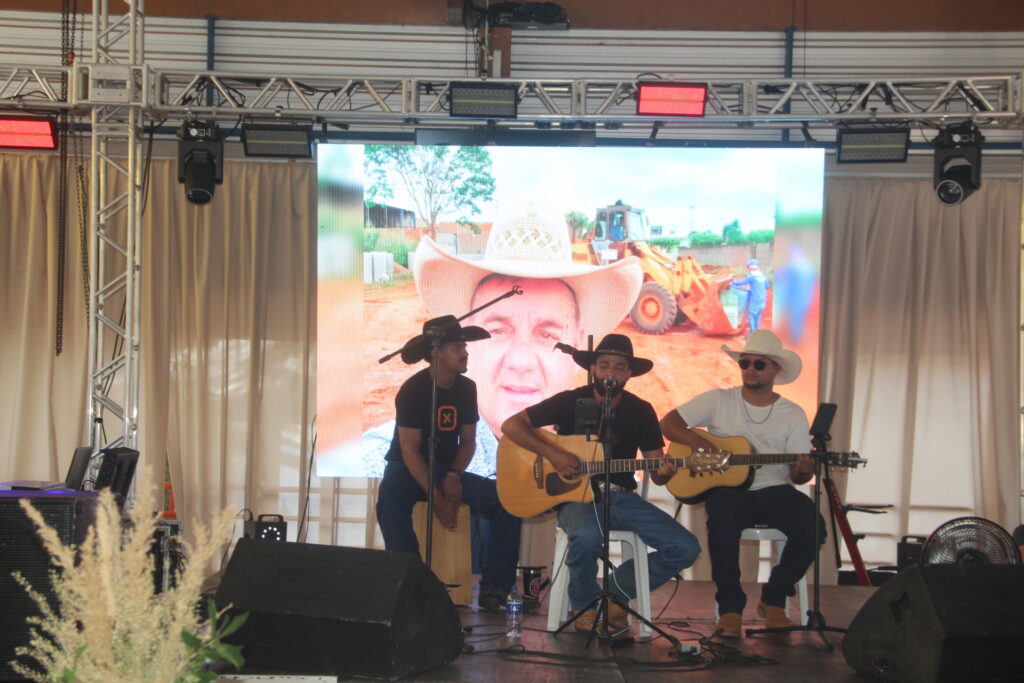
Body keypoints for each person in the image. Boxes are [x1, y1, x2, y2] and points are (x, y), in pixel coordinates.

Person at [359, 214, 643, 477]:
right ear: (468, 344)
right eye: (497, 330)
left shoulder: (593, 443)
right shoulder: (374, 452)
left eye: (548, 335)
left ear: (578, 343)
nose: (520, 361)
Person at [501, 334, 701, 633]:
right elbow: (511, 425)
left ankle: (615, 594)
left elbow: (657, 468)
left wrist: (667, 470)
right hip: (575, 498)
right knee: (587, 536)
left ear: (629, 373)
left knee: (685, 546)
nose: (611, 372)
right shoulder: (570, 401)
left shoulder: (641, 410)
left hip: (623, 498)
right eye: (604, 365)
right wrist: (553, 454)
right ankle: (582, 605)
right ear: (592, 368)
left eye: (619, 367)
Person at [660, 329, 823, 638]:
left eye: (759, 365)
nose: (750, 369)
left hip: (776, 489)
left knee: (813, 526)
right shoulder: (720, 399)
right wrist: (700, 444)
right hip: (731, 490)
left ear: (776, 369)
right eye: (745, 363)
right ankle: (730, 608)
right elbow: (668, 423)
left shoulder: (792, 414)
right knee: (722, 520)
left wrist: (803, 470)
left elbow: (799, 476)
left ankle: (774, 598)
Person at [374, 315, 524, 611]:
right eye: (457, 347)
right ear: (435, 352)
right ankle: (412, 584)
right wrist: (436, 495)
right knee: (389, 496)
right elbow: (409, 450)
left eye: (464, 346)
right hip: (408, 469)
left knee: (507, 501)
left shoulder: (466, 388)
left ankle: (496, 588)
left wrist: (454, 475)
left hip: (446, 469)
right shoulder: (414, 390)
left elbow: (467, 441)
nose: (465, 353)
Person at [730, 258, 771, 332]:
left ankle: (752, 334)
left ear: (749, 268)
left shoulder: (752, 276)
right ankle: (756, 333)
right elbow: (767, 286)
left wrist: (732, 283)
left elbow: (741, 282)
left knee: (751, 316)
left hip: (754, 301)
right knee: (757, 317)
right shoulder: (762, 276)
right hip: (762, 301)